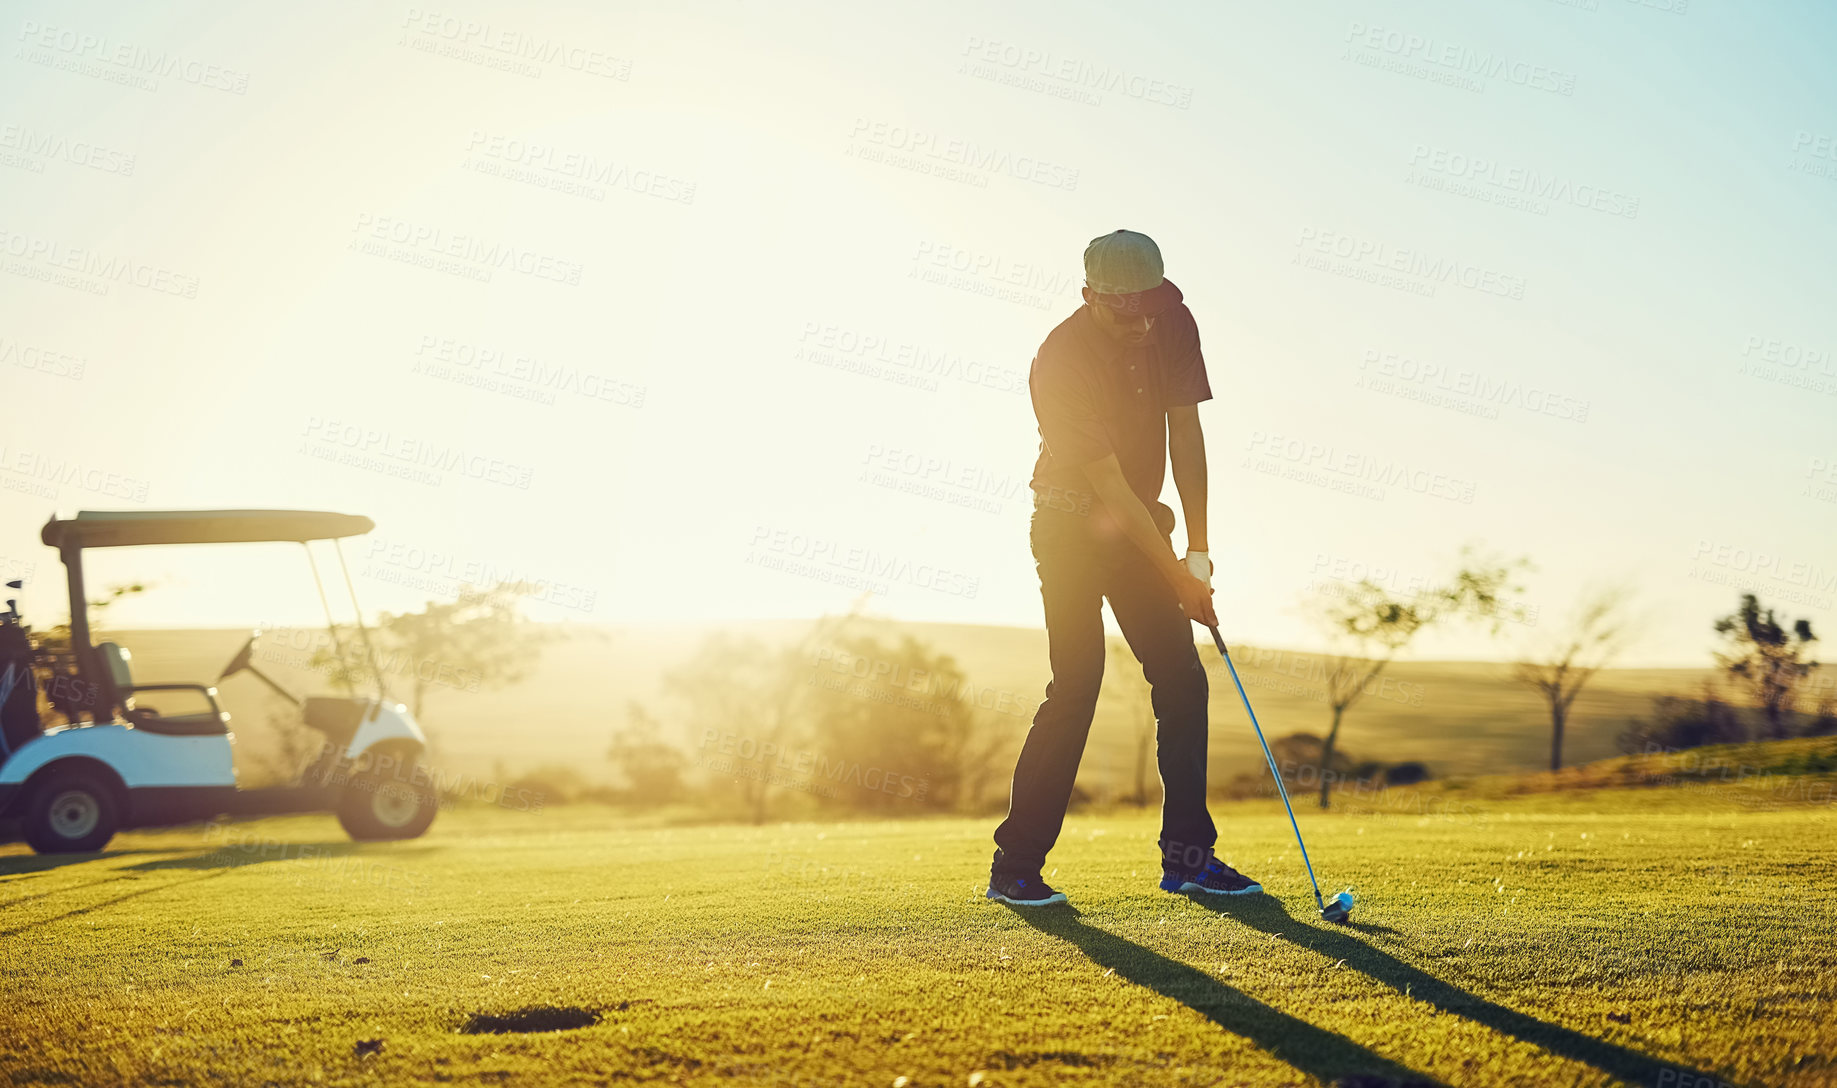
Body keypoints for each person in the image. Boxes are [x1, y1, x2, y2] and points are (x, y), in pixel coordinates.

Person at [986, 229, 1263, 907]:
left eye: (1149, 307)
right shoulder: (1059, 359)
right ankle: (1014, 869)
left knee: (1180, 680)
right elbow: (1107, 487)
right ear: (1088, 296)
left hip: (1138, 524)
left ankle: (1189, 861)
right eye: (1124, 310)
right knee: (1076, 685)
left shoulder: (1169, 320)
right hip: (1069, 526)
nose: (1140, 323)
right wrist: (1175, 577)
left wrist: (1197, 551)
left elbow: (1185, 433)